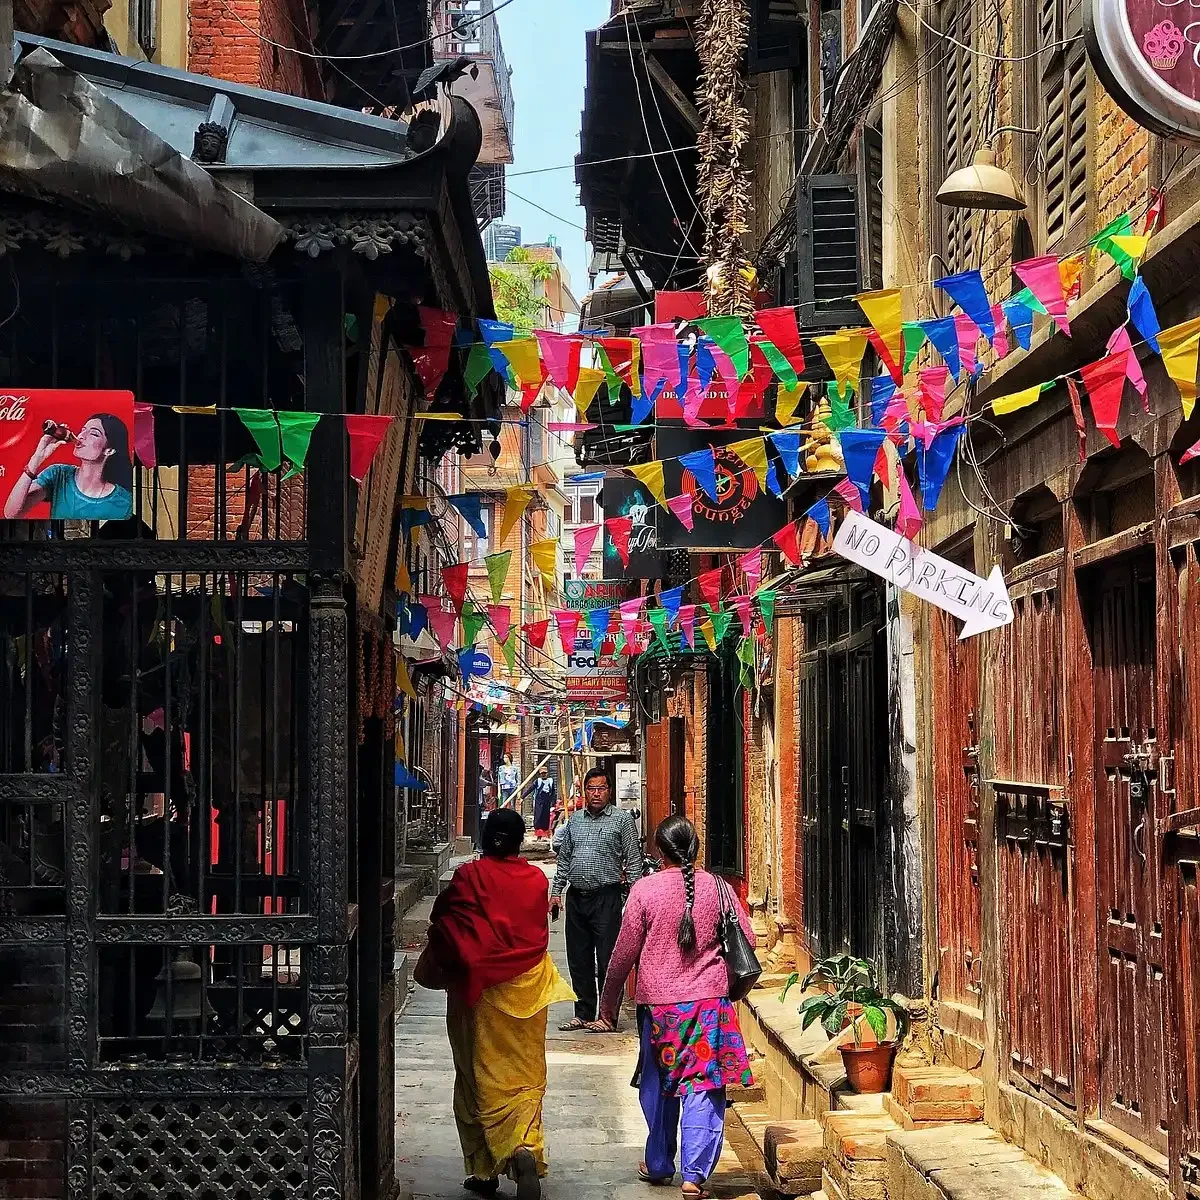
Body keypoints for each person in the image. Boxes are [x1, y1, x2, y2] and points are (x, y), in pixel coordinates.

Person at [590, 815, 756, 1199]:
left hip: (660, 1010)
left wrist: (608, 1004)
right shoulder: (720, 888)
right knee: (702, 1086)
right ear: (695, 848)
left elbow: (623, 953)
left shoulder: (645, 890)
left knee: (660, 1086)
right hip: (707, 1006)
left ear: (659, 851)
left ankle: (660, 1163)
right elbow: (746, 938)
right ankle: (694, 1176)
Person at [414, 808, 574, 1200]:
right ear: (520, 843)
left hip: (480, 989)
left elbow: (443, 917)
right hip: (529, 986)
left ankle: (485, 1168)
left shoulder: (469, 877)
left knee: (475, 1072)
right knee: (524, 1074)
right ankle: (525, 1146)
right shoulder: (537, 879)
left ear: (485, 839)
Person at [549, 766, 641, 1032]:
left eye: (601, 788)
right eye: (591, 789)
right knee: (579, 959)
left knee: (608, 960)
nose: (596, 794)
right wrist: (556, 892)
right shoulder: (575, 821)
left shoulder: (621, 820)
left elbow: (633, 862)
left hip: (607, 898)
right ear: (584, 791)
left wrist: (635, 899)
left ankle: (607, 1016)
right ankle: (583, 1012)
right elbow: (564, 860)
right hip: (577, 897)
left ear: (609, 792)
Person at [5, 413, 134, 520]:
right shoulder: (58, 474)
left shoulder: (123, 502)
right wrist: (37, 458)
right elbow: (11, 514)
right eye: (83, 430)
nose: (81, 436)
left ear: (109, 451)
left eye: (94, 434)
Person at [526, 765, 557, 839]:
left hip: (547, 800)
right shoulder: (538, 781)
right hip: (539, 800)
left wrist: (553, 802)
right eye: (542, 773)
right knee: (538, 817)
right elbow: (530, 789)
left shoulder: (550, 781)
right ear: (540, 774)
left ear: (547, 773)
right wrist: (522, 797)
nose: (543, 775)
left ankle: (545, 835)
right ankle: (538, 835)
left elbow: (553, 792)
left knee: (545, 817)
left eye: (545, 773)